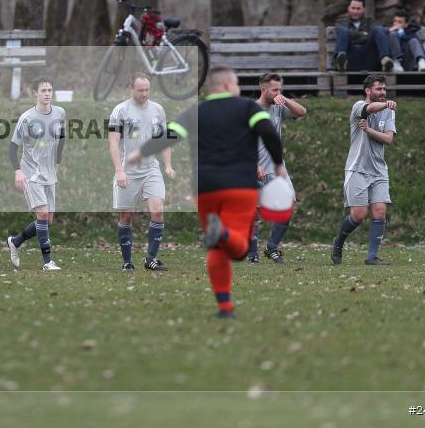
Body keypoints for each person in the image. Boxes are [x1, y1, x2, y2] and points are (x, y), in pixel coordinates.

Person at [127, 66, 286, 319]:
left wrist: (142, 151)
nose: (238, 88)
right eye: (235, 83)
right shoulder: (248, 108)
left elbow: (170, 134)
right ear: (225, 85)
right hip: (240, 187)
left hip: (205, 189)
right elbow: (268, 133)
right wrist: (278, 166)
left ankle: (225, 307)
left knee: (217, 249)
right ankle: (221, 232)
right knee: (239, 248)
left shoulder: (195, 112)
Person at [108, 73, 175, 271]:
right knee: (126, 217)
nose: (145, 94)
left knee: (158, 210)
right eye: (140, 90)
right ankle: (127, 262)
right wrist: (119, 171)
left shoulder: (158, 110)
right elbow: (113, 143)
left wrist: (168, 165)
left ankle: (150, 259)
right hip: (128, 171)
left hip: (151, 169)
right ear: (132, 89)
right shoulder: (120, 111)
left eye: (147, 89)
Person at [332, 74, 397, 266]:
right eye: (378, 89)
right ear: (368, 91)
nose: (383, 92)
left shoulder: (389, 111)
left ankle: (372, 257)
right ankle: (338, 243)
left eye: (384, 89)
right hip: (357, 169)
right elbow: (369, 109)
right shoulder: (358, 106)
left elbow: (388, 139)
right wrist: (385, 105)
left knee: (379, 211)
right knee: (358, 215)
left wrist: (369, 130)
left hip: (378, 170)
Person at [6, 76, 66, 271]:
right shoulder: (27, 118)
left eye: (49, 90)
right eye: (43, 91)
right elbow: (12, 147)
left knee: (48, 220)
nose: (47, 94)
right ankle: (48, 262)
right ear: (35, 94)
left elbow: (61, 138)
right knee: (41, 214)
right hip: (31, 173)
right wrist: (18, 172)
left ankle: (15, 241)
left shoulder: (60, 113)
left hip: (49, 173)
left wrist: (57, 162)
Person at [246, 73, 307, 264]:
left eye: (280, 89)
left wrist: (285, 100)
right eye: (275, 89)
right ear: (263, 89)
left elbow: (302, 112)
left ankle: (271, 247)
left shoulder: (279, 107)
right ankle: (252, 252)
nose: (278, 92)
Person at [333, 0, 394, 73]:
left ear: (364, 9)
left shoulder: (370, 22)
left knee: (378, 29)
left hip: (368, 58)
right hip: (350, 60)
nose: (355, 11)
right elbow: (344, 33)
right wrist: (364, 34)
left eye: (358, 9)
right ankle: (340, 62)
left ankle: (385, 59)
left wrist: (352, 34)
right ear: (348, 8)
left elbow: (379, 32)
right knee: (343, 31)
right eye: (353, 8)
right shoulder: (341, 23)